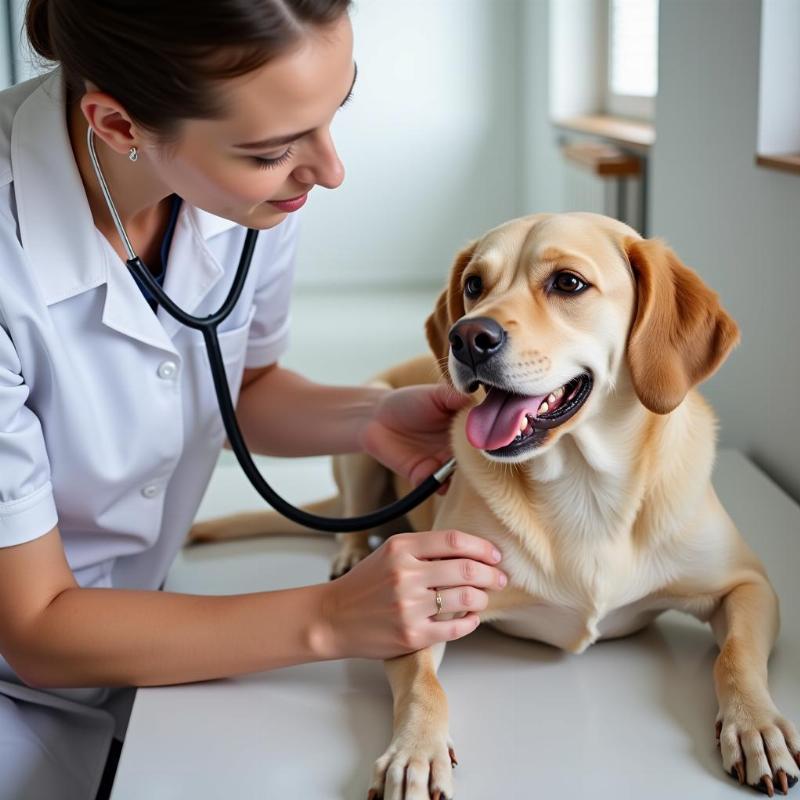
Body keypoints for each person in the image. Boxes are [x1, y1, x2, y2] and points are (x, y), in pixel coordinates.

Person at [0, 1, 507, 797]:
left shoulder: (243, 195)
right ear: (119, 125)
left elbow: (244, 385)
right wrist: (334, 618)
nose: (328, 169)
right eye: (273, 149)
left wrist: (369, 417)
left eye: (335, 113)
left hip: (139, 642)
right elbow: (35, 629)